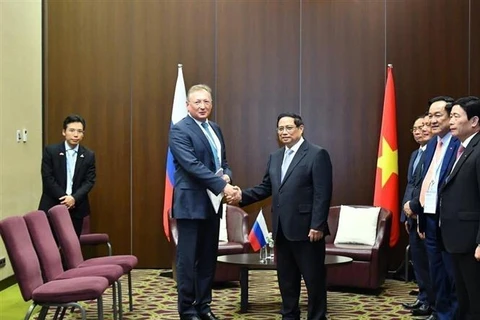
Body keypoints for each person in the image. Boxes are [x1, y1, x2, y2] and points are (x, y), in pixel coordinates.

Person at [231, 112, 333, 320]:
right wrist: (242, 196)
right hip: (281, 229)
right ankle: (289, 316)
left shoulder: (317, 154)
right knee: (286, 280)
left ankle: (317, 317)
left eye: (289, 128)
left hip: (308, 231)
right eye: (280, 129)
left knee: (314, 281)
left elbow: (323, 193)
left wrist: (318, 225)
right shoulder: (275, 157)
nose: (284, 132)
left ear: (301, 129)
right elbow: (266, 187)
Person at [168, 84, 240, 320]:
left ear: (211, 104)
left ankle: (204, 305)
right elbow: (192, 166)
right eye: (197, 102)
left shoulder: (215, 129)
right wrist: (223, 186)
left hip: (213, 204)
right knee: (188, 260)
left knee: (208, 259)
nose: (202, 106)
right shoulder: (180, 130)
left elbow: (223, 161)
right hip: (190, 205)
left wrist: (227, 174)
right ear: (188, 105)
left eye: (206, 101)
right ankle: (187, 309)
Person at [404, 96, 460, 320]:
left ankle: (449, 314)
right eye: (430, 115)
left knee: (450, 273)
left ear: (451, 117)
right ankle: (439, 312)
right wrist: (418, 212)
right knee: (435, 270)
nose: (432, 120)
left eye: (438, 115)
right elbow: (427, 182)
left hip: (448, 219)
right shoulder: (431, 147)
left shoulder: (457, 144)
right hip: (428, 217)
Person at [439, 96, 480, 320]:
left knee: (475, 301)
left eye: (455, 116)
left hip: (471, 242)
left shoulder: (478, 149)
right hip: (456, 239)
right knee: (464, 298)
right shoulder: (462, 149)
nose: (450, 121)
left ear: (474, 121)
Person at [38, 114, 96, 237]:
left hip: (77, 207)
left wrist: (74, 198)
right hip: (52, 205)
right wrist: (65, 198)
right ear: (64, 132)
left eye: (79, 131)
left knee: (71, 246)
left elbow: (89, 181)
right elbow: (48, 178)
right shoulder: (51, 151)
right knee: (50, 246)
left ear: (83, 134)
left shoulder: (89, 155)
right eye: (72, 130)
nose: (76, 134)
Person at [401, 114, 435, 316]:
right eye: (414, 128)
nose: (419, 131)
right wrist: (406, 216)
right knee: (419, 262)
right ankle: (423, 298)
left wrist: (416, 211)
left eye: (423, 126)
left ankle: (432, 302)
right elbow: (411, 186)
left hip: (423, 215)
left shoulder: (434, 154)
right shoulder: (416, 154)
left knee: (430, 263)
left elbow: (427, 186)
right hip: (411, 216)